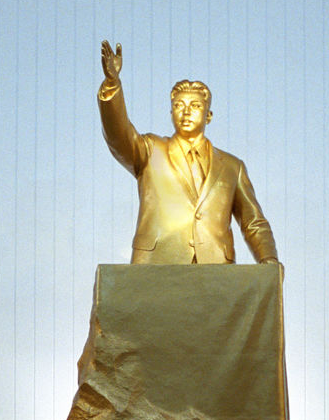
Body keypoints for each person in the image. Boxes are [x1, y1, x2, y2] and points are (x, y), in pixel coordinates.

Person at [98, 40, 280, 266]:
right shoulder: (150, 150)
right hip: (157, 265)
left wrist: (269, 259)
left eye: (195, 106)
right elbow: (118, 135)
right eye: (179, 105)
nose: (186, 112)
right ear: (171, 112)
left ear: (208, 115)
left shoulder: (233, 167)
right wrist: (112, 85)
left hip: (215, 270)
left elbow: (253, 222)